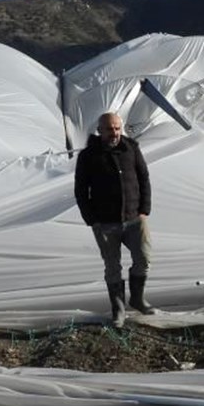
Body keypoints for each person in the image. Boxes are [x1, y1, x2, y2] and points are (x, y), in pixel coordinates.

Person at [74, 112, 153, 323]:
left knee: (143, 260)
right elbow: (81, 190)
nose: (114, 133)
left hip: (135, 218)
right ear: (100, 130)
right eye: (109, 129)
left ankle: (137, 299)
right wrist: (92, 219)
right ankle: (118, 309)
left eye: (117, 128)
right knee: (112, 267)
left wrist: (144, 209)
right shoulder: (88, 156)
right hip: (105, 222)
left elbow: (144, 178)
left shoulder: (131, 149)